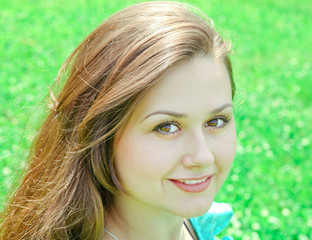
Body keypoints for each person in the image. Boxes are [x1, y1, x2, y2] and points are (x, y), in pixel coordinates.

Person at [0, 1, 236, 239]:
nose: (203, 156)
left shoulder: (198, 226)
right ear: (100, 134)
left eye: (216, 121)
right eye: (166, 127)